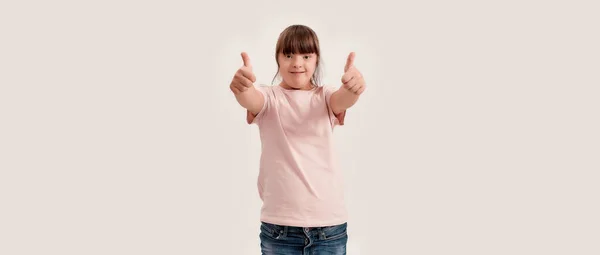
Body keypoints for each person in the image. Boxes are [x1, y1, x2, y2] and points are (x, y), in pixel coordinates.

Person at [229, 24, 366, 255]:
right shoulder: (269, 98)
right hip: (279, 230)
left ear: (316, 59)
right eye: (289, 55)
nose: (297, 63)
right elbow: (250, 98)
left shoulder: (325, 96)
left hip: (329, 229)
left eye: (306, 55)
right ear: (278, 59)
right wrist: (241, 87)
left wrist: (354, 87)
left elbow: (344, 99)